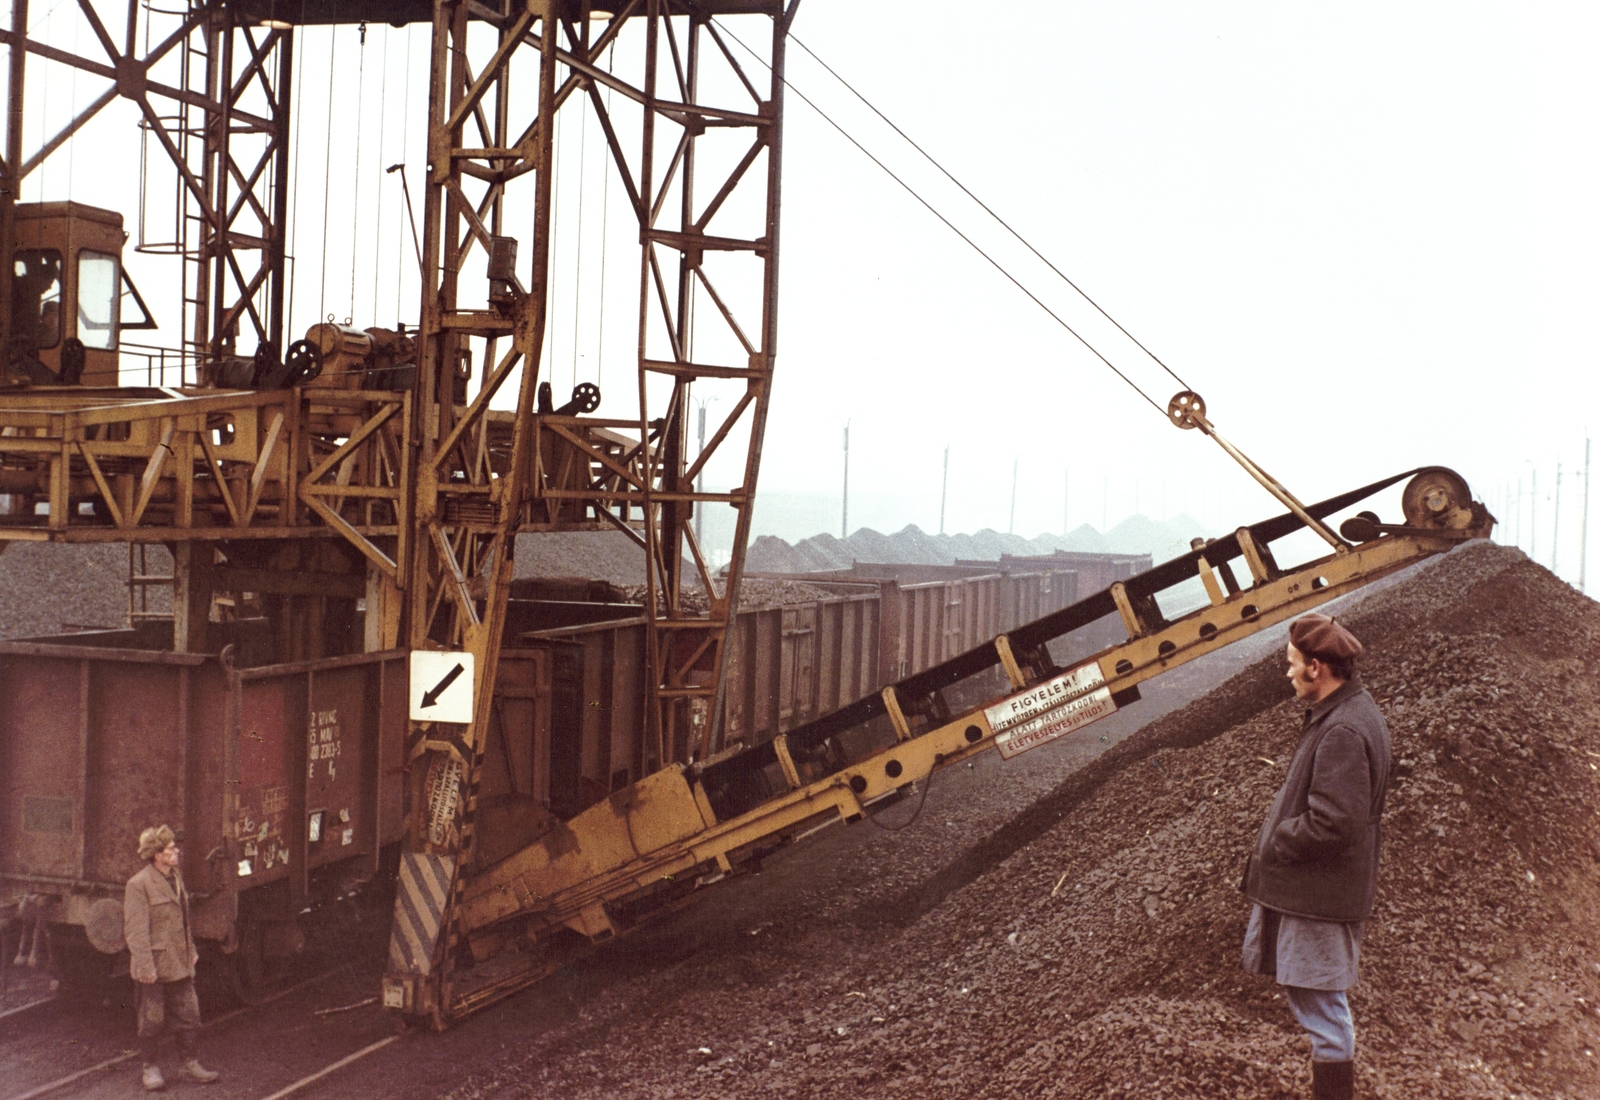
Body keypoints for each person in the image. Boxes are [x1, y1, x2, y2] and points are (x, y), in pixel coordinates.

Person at [1240, 613, 1390, 1100]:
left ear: (1316, 667)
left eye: (1292, 663)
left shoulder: (1342, 729)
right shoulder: (1349, 712)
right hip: (1321, 895)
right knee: (1320, 1006)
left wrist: (1279, 839)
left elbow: (1335, 822)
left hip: (1319, 899)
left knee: (1325, 1014)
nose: (1287, 672)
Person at [124, 826, 221, 1091]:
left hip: (179, 962)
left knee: (190, 1015)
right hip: (154, 966)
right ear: (157, 855)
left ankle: (189, 1064)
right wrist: (145, 966)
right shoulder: (138, 885)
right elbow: (135, 931)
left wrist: (191, 950)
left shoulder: (175, 878)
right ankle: (150, 1068)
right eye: (170, 849)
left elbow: (183, 921)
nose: (176, 851)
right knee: (152, 1021)